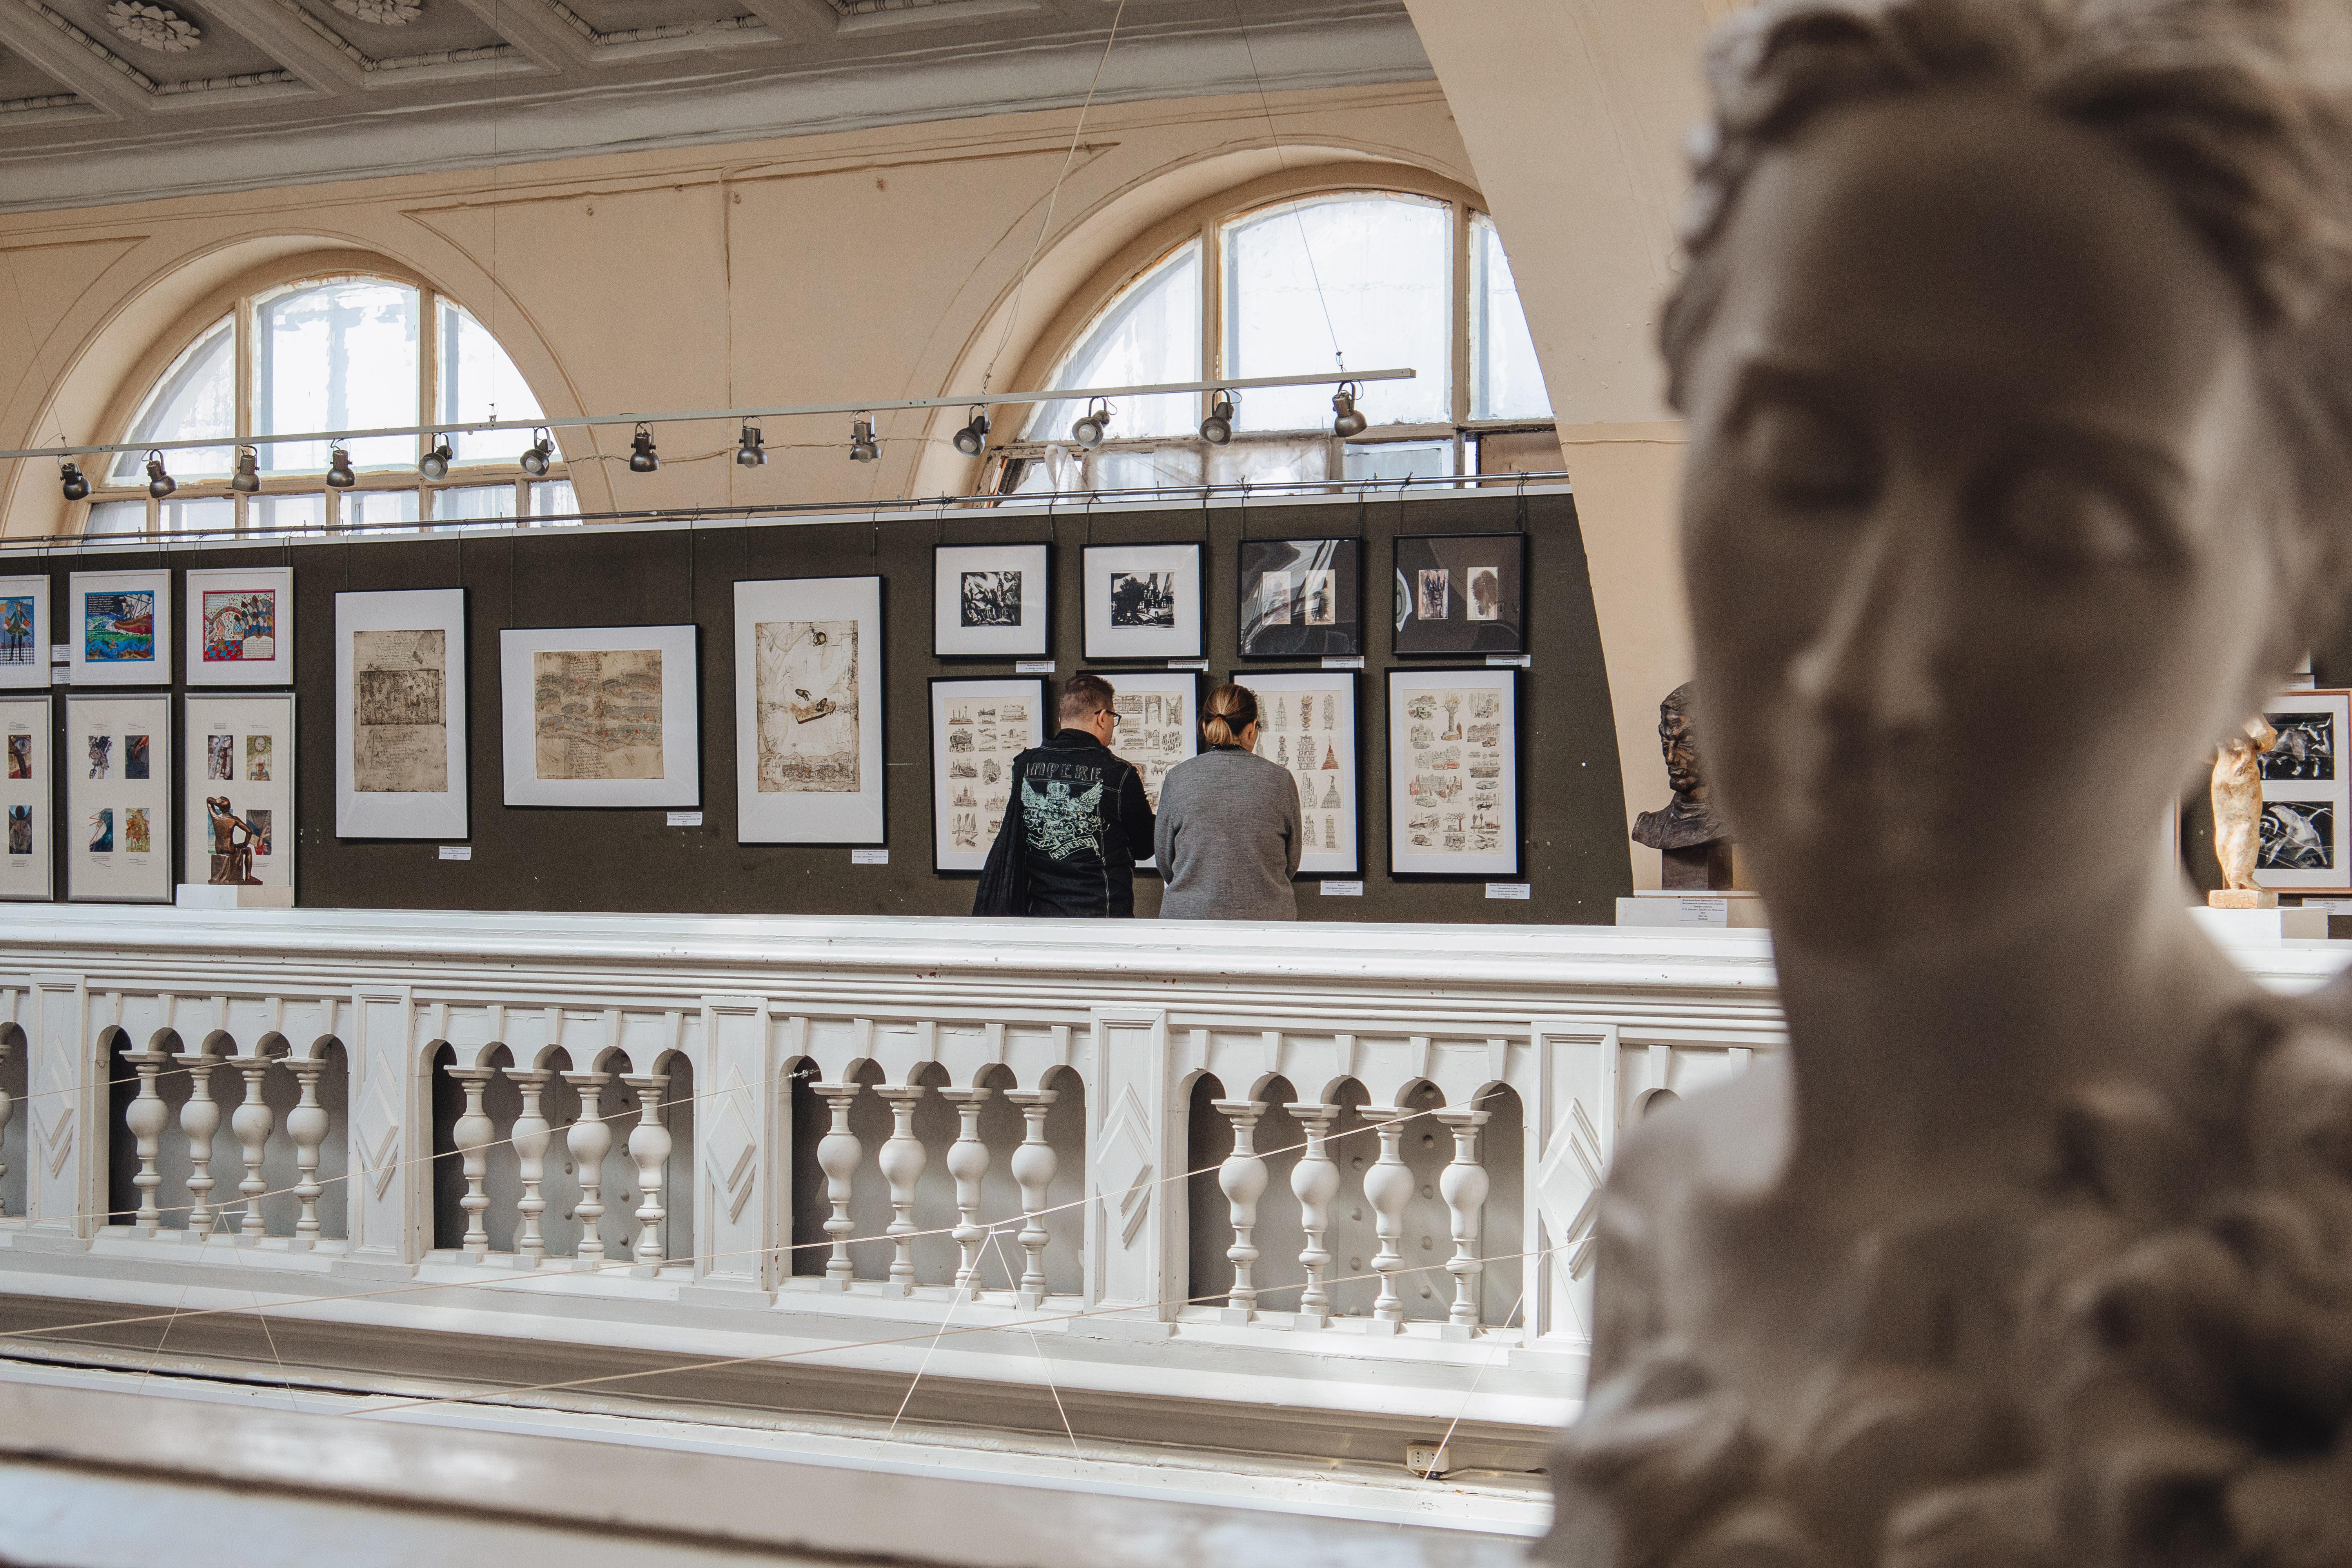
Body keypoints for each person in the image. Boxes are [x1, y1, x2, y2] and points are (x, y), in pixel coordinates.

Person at [1546, 2, 2352, 1564]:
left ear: (2291, 596)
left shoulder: (2318, 1214)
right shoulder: (1674, 1203)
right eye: (1803, 466)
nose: (1868, 665)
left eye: (2063, 522)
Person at [971, 672, 1154, 918]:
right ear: (1102, 717)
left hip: (1040, 915)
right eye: (1114, 718)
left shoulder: (1025, 765)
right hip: (1104, 916)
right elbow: (1145, 847)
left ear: (1062, 719)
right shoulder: (1119, 773)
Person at [1154, 683, 1302, 920]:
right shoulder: (1281, 780)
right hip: (1267, 920)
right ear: (1252, 729)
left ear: (1205, 727)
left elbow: (1164, 860)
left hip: (1189, 921)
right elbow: (1292, 861)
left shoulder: (1178, 778)